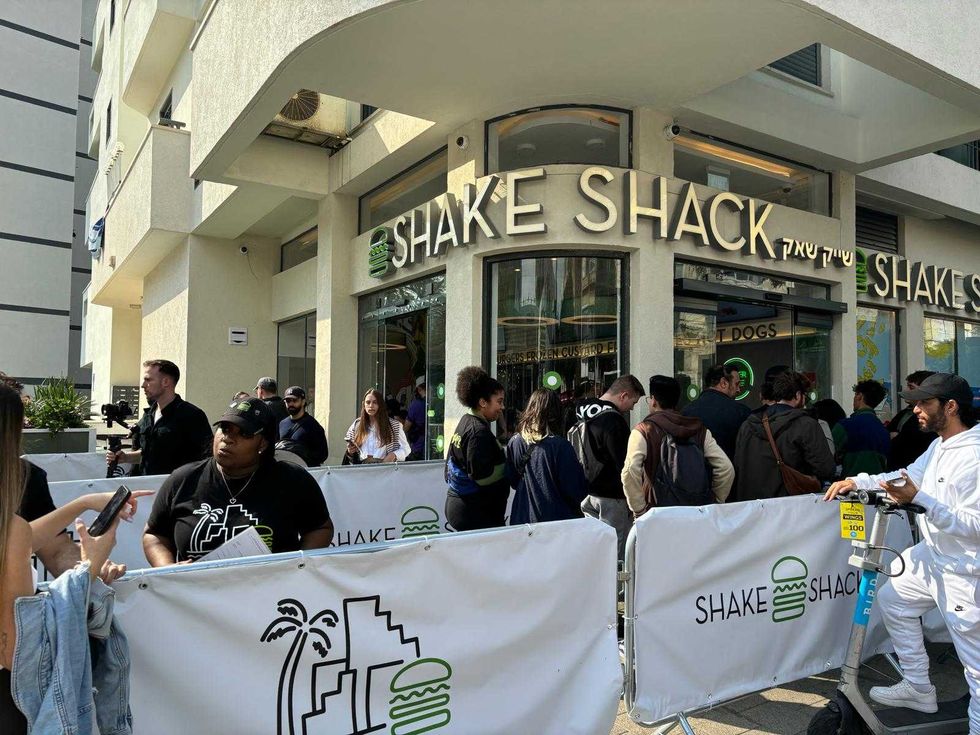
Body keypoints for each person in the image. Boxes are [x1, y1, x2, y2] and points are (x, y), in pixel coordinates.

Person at [824, 373, 980, 725]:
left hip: (966, 570)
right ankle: (919, 687)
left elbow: (975, 526)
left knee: (977, 672)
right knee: (893, 598)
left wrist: (920, 500)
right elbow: (905, 477)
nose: (916, 409)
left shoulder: (974, 455)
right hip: (934, 557)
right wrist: (858, 481)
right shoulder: (941, 444)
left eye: (925, 403)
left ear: (951, 406)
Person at [1, 383, 146, 733]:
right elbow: (15, 645)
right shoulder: (14, 530)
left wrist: (81, 507)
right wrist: (89, 568)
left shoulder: (26, 487)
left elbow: (43, 545)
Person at [143, 397, 333, 565]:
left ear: (263, 443)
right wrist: (167, 570)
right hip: (194, 597)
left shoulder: (292, 480)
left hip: (269, 595)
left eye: (244, 433)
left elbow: (320, 528)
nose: (228, 439)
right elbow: (154, 534)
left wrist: (296, 566)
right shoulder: (183, 479)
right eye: (224, 429)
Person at [622, 375, 734, 515]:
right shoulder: (699, 430)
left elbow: (630, 471)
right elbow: (726, 468)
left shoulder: (644, 430)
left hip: (658, 513)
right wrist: (715, 502)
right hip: (696, 512)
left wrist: (639, 510)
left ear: (654, 401)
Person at [733, 371, 836, 500]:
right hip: (792, 506)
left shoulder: (748, 425)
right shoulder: (806, 425)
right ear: (798, 396)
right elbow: (826, 469)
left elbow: (737, 466)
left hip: (752, 507)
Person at [573, 375, 645, 560]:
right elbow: (625, 465)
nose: (632, 408)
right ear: (623, 395)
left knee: (595, 551)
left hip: (587, 493)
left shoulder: (579, 412)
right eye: (633, 402)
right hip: (613, 498)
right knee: (617, 552)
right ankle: (616, 589)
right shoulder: (614, 421)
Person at [106, 359, 212, 476]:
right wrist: (126, 457)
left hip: (175, 489)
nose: (142, 385)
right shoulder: (148, 415)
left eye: (148, 380)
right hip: (146, 487)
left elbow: (206, 458)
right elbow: (149, 453)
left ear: (165, 382)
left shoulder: (192, 415)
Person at [505, 389, 587, 524]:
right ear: (555, 414)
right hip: (556, 522)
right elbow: (575, 491)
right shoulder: (560, 446)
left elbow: (513, 481)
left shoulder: (515, 442)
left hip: (522, 518)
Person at [445, 366, 509, 531]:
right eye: (499, 401)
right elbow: (480, 476)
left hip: (464, 507)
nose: (502, 407)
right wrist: (509, 467)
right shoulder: (477, 432)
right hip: (473, 512)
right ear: (483, 402)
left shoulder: (466, 421)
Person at [681, 364, 751, 485]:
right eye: (736, 384)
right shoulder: (741, 413)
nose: (739, 389)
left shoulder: (686, 411)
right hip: (731, 486)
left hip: (692, 484)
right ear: (723, 383)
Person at [833, 379, 891, 476]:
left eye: (855, 395)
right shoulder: (884, 431)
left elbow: (828, 455)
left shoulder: (845, 426)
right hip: (877, 486)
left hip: (850, 485)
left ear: (859, 396)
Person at [888, 370, 937, 471]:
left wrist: (898, 437)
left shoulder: (933, 417)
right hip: (899, 469)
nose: (906, 391)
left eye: (911, 387)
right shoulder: (906, 412)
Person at [344, 389, 410, 464]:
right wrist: (350, 451)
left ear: (380, 405)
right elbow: (352, 453)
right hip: (362, 469)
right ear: (364, 405)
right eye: (368, 402)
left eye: (375, 402)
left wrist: (393, 455)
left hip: (385, 469)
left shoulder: (394, 425)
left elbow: (406, 449)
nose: (371, 406)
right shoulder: (357, 425)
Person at [278, 386, 329, 467]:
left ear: (303, 401)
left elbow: (323, 455)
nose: (291, 404)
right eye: (288, 401)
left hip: (304, 472)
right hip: (284, 472)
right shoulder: (282, 423)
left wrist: (303, 457)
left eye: (295, 400)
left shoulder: (313, 425)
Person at [405, 377, 427, 461]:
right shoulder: (436, 403)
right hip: (432, 448)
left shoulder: (416, 405)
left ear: (418, 389)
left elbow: (406, 428)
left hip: (417, 448)